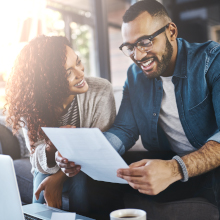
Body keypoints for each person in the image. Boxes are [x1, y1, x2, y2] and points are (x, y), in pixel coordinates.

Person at [56, 0, 220, 219]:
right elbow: (123, 130)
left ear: (171, 31)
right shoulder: (135, 77)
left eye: (145, 42)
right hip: (166, 159)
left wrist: (175, 169)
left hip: (209, 168)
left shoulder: (211, 61)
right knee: (85, 178)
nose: (138, 55)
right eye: (130, 47)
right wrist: (83, 155)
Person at [4, 35, 116, 210]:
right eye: (68, 73)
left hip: (87, 169)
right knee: (41, 176)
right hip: (48, 168)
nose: (80, 74)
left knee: (78, 178)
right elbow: (36, 160)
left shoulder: (101, 90)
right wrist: (50, 147)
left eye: (78, 62)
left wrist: (56, 180)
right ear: (48, 82)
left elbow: (98, 150)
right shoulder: (32, 105)